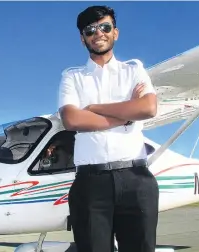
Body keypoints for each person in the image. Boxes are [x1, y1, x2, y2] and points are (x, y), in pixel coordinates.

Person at [57, 5, 159, 252]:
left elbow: (147, 107)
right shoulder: (72, 76)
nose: (98, 33)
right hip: (90, 183)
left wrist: (94, 108)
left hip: (136, 178)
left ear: (116, 33)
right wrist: (125, 116)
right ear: (83, 39)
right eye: (90, 30)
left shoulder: (134, 69)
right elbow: (71, 119)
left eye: (105, 27)